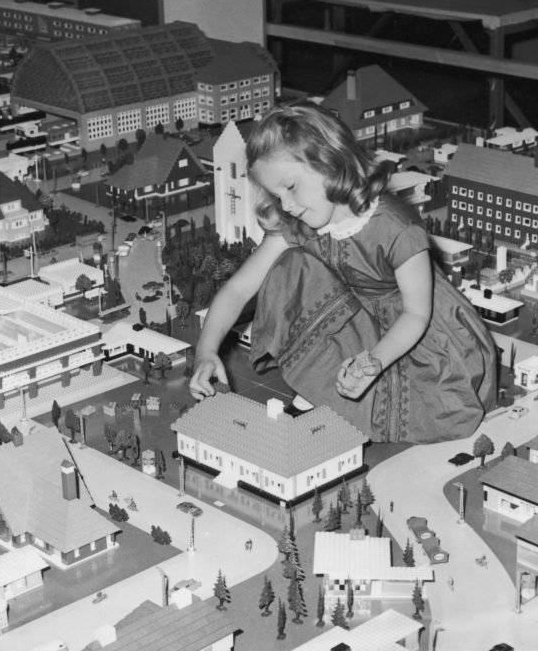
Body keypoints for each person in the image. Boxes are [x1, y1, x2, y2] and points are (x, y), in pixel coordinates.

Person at [189, 102, 497, 444]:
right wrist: (206, 349)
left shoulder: (397, 228)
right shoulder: (299, 222)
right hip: (359, 309)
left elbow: (416, 314)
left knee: (434, 405)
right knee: (290, 266)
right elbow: (239, 288)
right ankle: (322, 386)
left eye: (290, 187)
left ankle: (351, 394)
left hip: (417, 326)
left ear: (331, 163)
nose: (286, 205)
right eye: (276, 195)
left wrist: (374, 363)